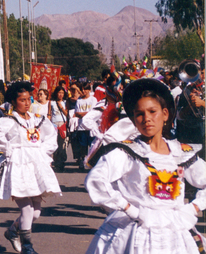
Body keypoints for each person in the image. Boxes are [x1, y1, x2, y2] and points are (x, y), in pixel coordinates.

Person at [85, 78, 206, 254]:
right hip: (135, 233)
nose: (147, 119)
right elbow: (96, 180)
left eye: (152, 111)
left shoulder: (180, 152)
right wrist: (129, 209)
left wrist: (194, 207)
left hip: (175, 233)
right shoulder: (126, 152)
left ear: (165, 114)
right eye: (140, 114)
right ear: (134, 119)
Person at [0, 81, 61, 254]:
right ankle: (27, 247)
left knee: (36, 212)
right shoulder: (9, 120)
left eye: (28, 99)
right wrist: (10, 150)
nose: (27, 103)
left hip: (35, 165)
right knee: (27, 209)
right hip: (17, 166)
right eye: (22, 100)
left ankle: (13, 231)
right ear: (14, 102)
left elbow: (51, 136)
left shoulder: (38, 120)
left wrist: (42, 152)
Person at [72, 82, 97, 169]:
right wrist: (85, 113)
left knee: (93, 146)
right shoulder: (79, 101)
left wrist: (83, 114)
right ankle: (82, 161)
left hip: (91, 127)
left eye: (85, 89)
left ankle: (93, 163)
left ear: (89, 90)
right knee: (83, 146)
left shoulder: (93, 100)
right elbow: (76, 114)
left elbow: (93, 113)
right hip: (81, 127)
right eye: (82, 89)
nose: (83, 91)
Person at [50, 86, 69, 172]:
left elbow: (67, 114)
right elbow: (49, 114)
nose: (61, 94)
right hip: (54, 125)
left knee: (63, 144)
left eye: (62, 93)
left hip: (62, 124)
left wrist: (61, 107)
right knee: (55, 144)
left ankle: (62, 162)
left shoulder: (65, 102)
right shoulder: (52, 102)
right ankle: (56, 162)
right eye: (59, 92)